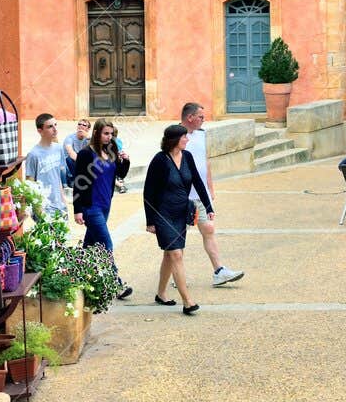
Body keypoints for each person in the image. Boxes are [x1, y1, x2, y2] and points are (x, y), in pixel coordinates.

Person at [145, 123, 213, 314]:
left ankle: (160, 293)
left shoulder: (187, 157)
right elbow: (148, 191)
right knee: (176, 254)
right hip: (162, 214)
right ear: (175, 140)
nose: (187, 139)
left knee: (169, 254)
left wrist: (208, 206)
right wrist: (150, 220)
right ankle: (188, 301)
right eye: (184, 137)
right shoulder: (159, 160)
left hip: (181, 212)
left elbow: (198, 182)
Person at [180, 102, 244, 287]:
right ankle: (177, 273)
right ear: (190, 117)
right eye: (200, 116)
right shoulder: (176, 135)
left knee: (208, 229)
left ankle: (219, 271)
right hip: (182, 196)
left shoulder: (202, 134)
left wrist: (210, 188)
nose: (203, 119)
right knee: (179, 236)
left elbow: (205, 161)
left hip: (200, 194)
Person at [70, 118, 132, 300]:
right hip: (91, 207)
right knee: (106, 244)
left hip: (106, 205)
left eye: (111, 134)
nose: (109, 137)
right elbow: (78, 183)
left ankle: (76, 274)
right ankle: (117, 285)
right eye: (106, 133)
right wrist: (77, 209)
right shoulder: (86, 154)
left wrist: (125, 161)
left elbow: (120, 174)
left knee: (91, 245)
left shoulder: (111, 150)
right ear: (96, 133)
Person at [23, 113, 69, 217]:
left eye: (55, 125)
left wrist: (63, 202)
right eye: (50, 127)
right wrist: (39, 210)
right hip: (44, 208)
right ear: (40, 131)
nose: (55, 129)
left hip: (60, 206)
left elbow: (58, 178)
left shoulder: (59, 148)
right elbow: (30, 186)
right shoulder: (33, 155)